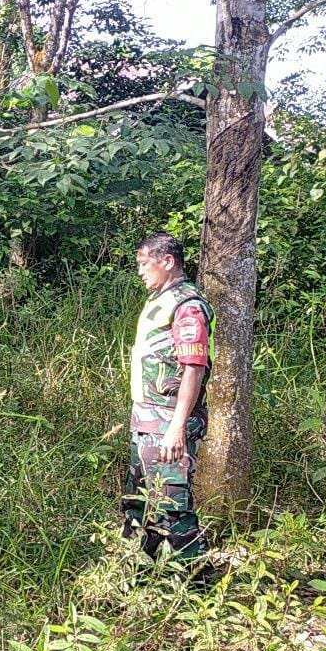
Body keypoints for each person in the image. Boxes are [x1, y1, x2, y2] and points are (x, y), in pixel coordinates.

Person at [124, 232, 213, 568]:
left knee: (173, 507)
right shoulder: (161, 300)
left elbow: (194, 368)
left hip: (168, 421)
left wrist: (177, 427)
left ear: (167, 261)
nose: (140, 272)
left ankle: (195, 580)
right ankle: (137, 572)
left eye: (144, 264)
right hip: (147, 420)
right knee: (138, 501)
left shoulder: (188, 306)